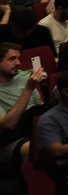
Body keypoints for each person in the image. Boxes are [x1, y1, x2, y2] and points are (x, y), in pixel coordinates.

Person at [0, 42, 47, 175]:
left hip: (36, 129)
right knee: (31, 148)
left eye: (18, 58)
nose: (18, 63)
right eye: (12, 59)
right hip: (9, 140)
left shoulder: (24, 77)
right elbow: (8, 125)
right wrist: (28, 88)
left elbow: (40, 108)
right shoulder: (28, 83)